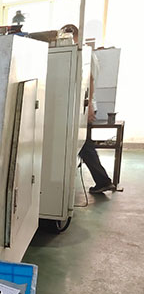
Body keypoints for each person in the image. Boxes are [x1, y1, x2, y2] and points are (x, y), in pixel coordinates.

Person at [61, 24, 116, 194]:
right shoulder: (86, 53)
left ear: (73, 36)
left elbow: (89, 80)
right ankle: (102, 181)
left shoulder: (84, 53)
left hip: (84, 107)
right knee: (83, 145)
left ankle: (103, 181)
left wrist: (89, 105)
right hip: (84, 105)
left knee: (84, 145)